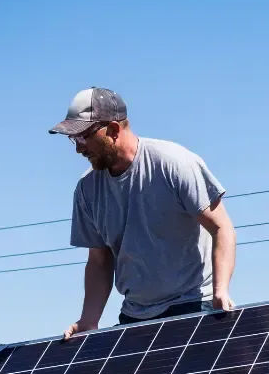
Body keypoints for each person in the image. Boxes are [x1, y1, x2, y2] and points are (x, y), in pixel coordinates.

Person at [49, 87, 237, 338]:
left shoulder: (174, 164)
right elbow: (99, 260)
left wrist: (220, 290)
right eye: (73, 140)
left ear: (113, 130)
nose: (78, 149)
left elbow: (221, 227)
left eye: (83, 138)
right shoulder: (87, 190)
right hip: (135, 316)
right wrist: (88, 320)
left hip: (193, 305)